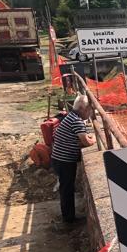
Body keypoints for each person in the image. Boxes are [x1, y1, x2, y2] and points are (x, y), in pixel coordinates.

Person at [50, 94, 95, 223]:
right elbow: (85, 141)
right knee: (67, 188)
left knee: (67, 187)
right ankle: (69, 219)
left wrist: (86, 139)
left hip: (60, 158)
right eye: (89, 109)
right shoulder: (76, 120)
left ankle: (68, 216)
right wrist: (92, 140)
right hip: (64, 161)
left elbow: (80, 139)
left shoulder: (71, 117)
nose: (90, 112)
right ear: (82, 108)